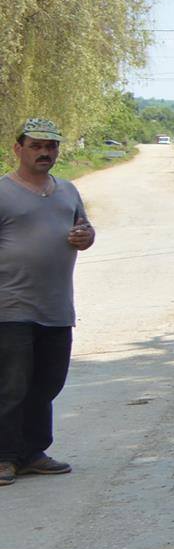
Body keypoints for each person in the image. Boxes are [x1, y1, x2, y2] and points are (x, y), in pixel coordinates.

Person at [0, 118, 94, 487]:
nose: (45, 153)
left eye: (51, 146)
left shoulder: (68, 191)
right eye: (36, 145)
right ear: (18, 148)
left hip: (56, 306)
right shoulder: (4, 192)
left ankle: (33, 452)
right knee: (11, 385)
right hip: (10, 306)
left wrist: (86, 235)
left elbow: (85, 229)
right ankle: (5, 456)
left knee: (47, 382)